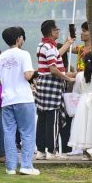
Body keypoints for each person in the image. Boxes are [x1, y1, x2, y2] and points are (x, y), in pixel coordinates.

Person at [0, 24, 39, 176]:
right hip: (23, 98)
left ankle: (10, 167)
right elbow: (27, 75)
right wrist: (34, 72)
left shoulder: (1, 57)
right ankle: (26, 165)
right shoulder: (24, 54)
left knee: (9, 133)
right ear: (18, 39)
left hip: (7, 100)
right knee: (27, 132)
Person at [34, 20, 70, 158]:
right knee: (53, 119)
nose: (58, 31)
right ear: (51, 32)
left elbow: (56, 55)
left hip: (43, 85)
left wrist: (68, 43)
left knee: (42, 118)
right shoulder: (49, 47)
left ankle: (41, 150)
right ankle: (51, 150)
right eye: (57, 29)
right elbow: (53, 69)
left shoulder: (44, 45)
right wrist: (67, 78)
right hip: (52, 85)